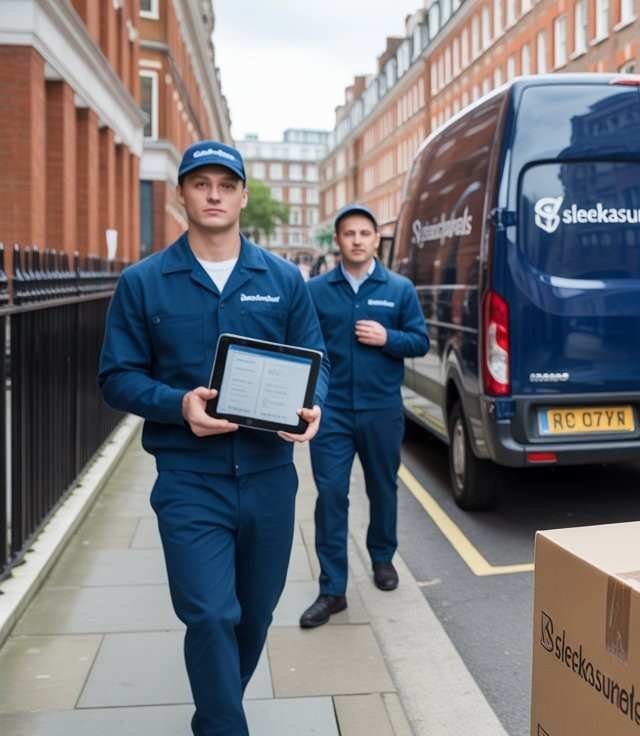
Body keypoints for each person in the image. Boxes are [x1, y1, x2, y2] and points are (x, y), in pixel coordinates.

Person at [99, 140, 327, 735]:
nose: (215, 195)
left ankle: (215, 711)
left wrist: (313, 407)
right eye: (201, 184)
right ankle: (224, 727)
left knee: (252, 617)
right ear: (181, 196)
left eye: (226, 185)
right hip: (188, 480)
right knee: (208, 615)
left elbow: (315, 358)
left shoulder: (282, 279)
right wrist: (178, 405)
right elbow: (117, 377)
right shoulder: (144, 282)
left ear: (244, 196)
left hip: (269, 478)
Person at [299, 204, 430, 628]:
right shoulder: (316, 291)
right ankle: (332, 589)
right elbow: (302, 345)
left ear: (376, 240)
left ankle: (382, 559)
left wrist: (387, 336)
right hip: (331, 411)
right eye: (348, 233)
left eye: (364, 233)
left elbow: (420, 342)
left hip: (380, 409)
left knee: (383, 489)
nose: (356, 239)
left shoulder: (399, 288)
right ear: (337, 241)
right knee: (331, 496)